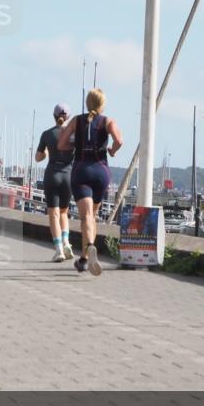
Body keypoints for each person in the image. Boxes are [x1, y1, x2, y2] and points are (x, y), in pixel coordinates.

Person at [57, 89, 123, 276]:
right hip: (101, 172)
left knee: (85, 217)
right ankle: (85, 258)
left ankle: (90, 248)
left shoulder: (76, 120)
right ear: (102, 104)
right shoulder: (108, 121)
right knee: (92, 216)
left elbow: (61, 144)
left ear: (87, 103)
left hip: (81, 170)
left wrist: (75, 146)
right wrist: (112, 151)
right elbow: (119, 140)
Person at [36, 103, 75, 262]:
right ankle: (66, 242)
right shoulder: (73, 135)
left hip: (52, 175)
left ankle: (59, 250)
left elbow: (38, 158)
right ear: (68, 117)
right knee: (64, 213)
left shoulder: (47, 134)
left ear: (54, 116)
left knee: (54, 214)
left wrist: (46, 152)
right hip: (68, 176)